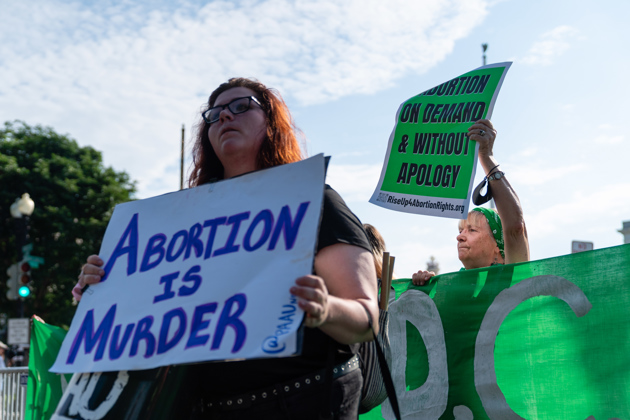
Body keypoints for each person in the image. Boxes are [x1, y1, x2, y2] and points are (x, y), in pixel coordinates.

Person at [73, 77, 379, 419]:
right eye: (214, 113)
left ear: (272, 123)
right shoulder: (180, 227)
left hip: (304, 403)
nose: (224, 117)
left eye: (241, 106)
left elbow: (367, 318)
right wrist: (102, 293)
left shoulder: (315, 201)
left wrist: (326, 310)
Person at [412, 119, 530, 286]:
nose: (459, 237)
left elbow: (515, 227)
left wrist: (486, 156)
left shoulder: (514, 279)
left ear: (498, 245)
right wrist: (423, 288)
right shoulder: (447, 288)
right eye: (461, 230)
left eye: (472, 230)